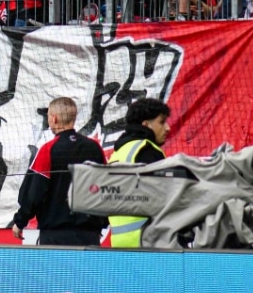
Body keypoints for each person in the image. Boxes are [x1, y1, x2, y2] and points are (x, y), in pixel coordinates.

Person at [10, 96, 106, 246]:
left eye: (48, 116)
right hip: (89, 234)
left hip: (55, 234)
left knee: (55, 270)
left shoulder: (48, 149)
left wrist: (20, 221)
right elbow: (104, 188)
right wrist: (100, 223)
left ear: (54, 119)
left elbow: (34, 193)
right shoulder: (94, 148)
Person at [104, 96, 168, 247]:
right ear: (146, 125)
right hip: (148, 241)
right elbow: (165, 196)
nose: (167, 128)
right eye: (162, 122)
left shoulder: (119, 153)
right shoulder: (148, 150)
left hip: (119, 240)